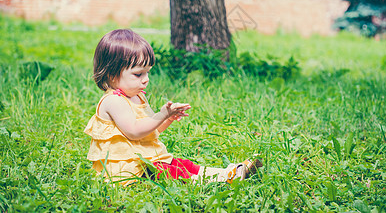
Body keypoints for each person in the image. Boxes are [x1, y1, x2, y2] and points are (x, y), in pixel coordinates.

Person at [84, 29, 262, 185]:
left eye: (147, 72)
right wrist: (160, 114)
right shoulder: (113, 101)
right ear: (111, 74)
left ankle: (227, 172)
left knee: (182, 165)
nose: (146, 79)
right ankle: (224, 179)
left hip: (145, 160)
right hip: (129, 170)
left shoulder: (136, 96)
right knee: (172, 174)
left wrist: (167, 118)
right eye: (138, 74)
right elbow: (134, 131)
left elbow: (150, 131)